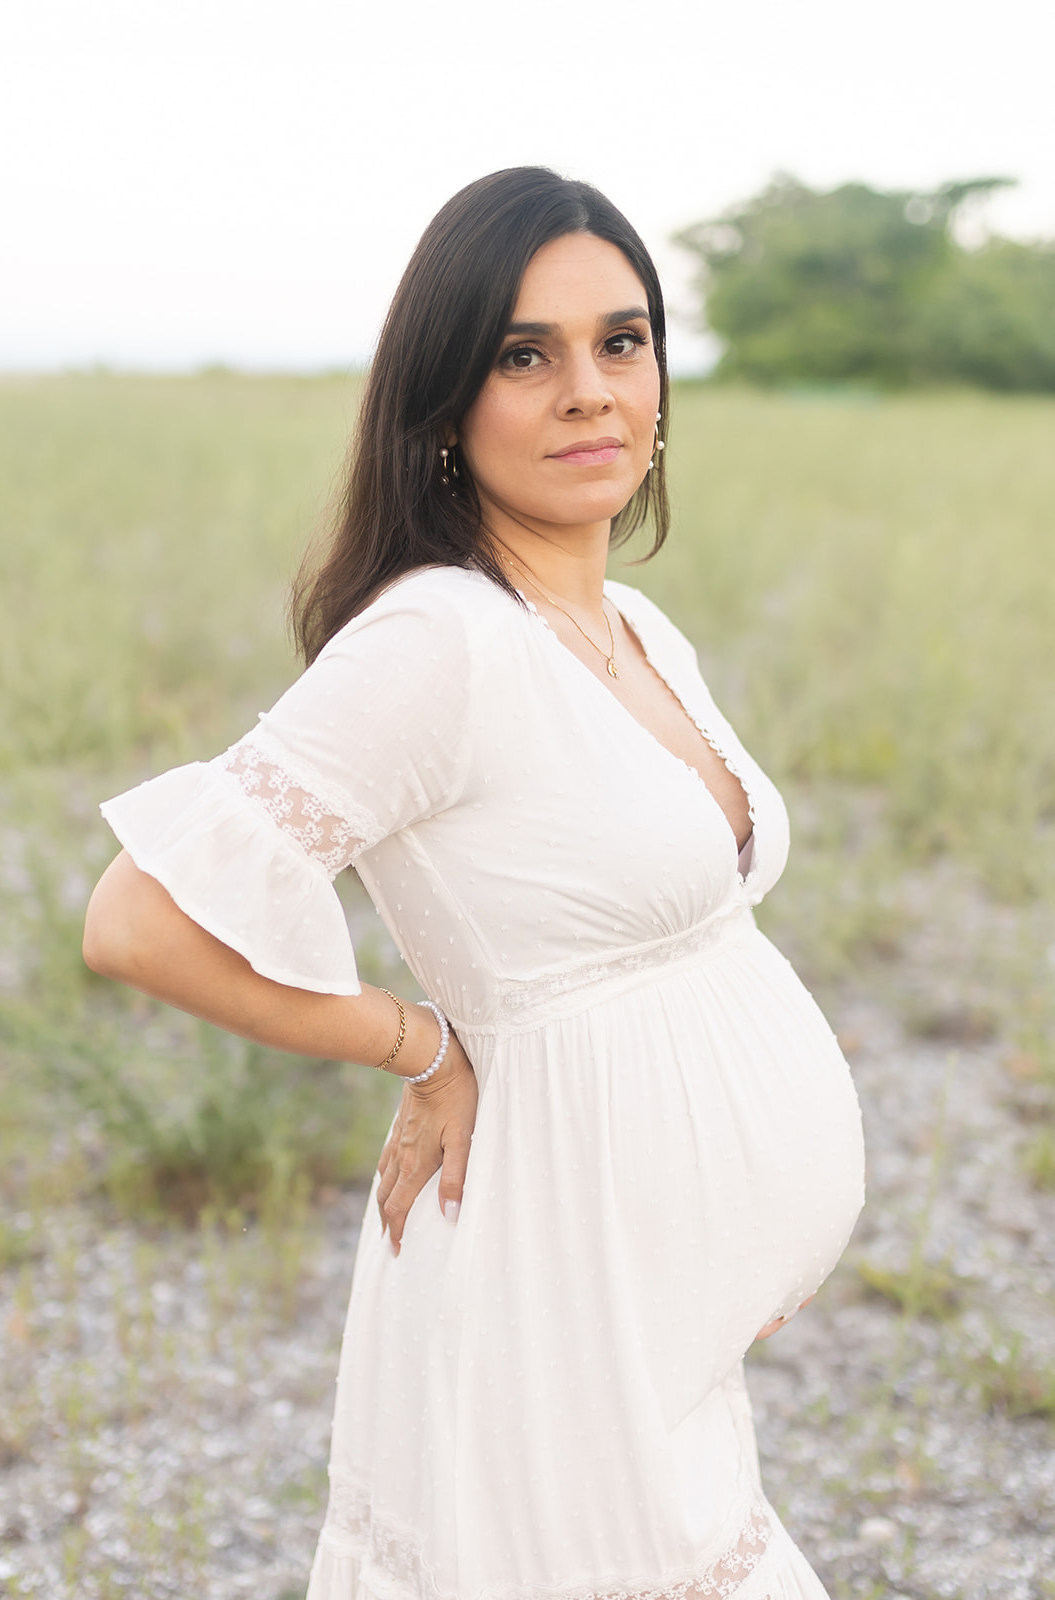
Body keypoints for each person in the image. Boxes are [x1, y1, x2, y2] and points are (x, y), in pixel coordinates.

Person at [83, 167, 865, 1600]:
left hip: (651, 1304)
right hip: (551, 1276)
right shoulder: (437, 641)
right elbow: (135, 922)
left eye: (620, 342)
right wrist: (418, 1042)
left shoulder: (634, 623)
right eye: (526, 355)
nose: (589, 390)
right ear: (443, 403)